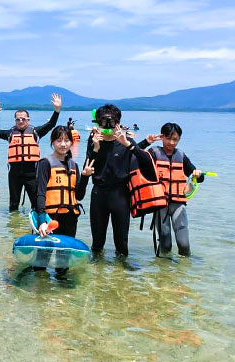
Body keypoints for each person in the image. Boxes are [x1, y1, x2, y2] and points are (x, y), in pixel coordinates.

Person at [86, 104, 157, 257]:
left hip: (120, 195)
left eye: (111, 122)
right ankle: (96, 276)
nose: (108, 126)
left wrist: (127, 144)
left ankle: (123, 277)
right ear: (98, 122)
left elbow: (147, 162)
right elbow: (88, 165)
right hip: (99, 193)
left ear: (117, 123)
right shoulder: (93, 141)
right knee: (97, 242)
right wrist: (96, 147)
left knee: (122, 243)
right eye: (103, 122)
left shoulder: (126, 141)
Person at [34, 126, 94, 273]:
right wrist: (42, 221)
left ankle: (61, 293)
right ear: (52, 142)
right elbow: (40, 193)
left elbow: (79, 196)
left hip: (70, 218)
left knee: (63, 263)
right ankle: (39, 292)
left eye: (67, 140)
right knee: (42, 263)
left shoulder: (74, 165)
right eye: (59, 140)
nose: (63, 144)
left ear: (71, 143)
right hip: (50, 218)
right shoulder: (45, 163)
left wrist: (85, 176)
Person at [0, 94, 62, 211]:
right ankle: (15, 226)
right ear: (15, 120)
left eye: (23, 119)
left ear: (28, 119)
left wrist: (57, 110)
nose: (21, 121)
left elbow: (51, 124)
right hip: (14, 174)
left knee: (36, 204)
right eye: (18, 119)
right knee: (13, 205)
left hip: (32, 174)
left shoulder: (36, 132)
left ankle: (36, 226)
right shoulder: (10, 133)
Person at [141, 123, 203, 256]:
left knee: (184, 245)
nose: (171, 143)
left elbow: (196, 175)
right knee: (166, 244)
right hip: (160, 205)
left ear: (179, 139)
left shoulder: (181, 156)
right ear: (162, 137)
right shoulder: (153, 153)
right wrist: (146, 142)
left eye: (175, 139)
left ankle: (184, 273)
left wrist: (198, 174)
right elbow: (135, 155)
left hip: (178, 203)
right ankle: (164, 273)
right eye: (168, 138)